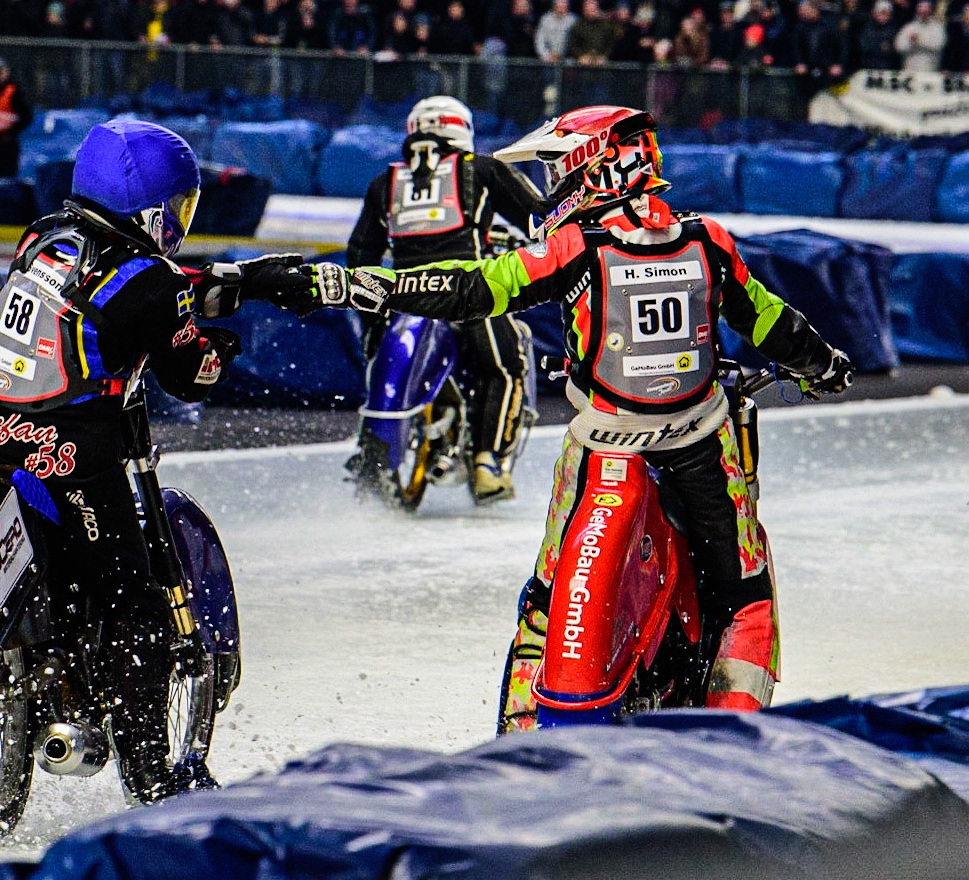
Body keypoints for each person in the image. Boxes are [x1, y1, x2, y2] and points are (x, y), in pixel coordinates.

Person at [276, 106, 853, 729]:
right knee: (742, 594)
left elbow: (476, 286)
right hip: (701, 449)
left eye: (558, 166)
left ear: (593, 162)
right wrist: (823, 365)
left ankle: (521, 731)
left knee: (547, 601)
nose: (554, 183)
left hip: (602, 451)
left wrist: (373, 286)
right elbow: (769, 319)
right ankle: (732, 728)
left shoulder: (576, 247)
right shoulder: (707, 240)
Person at [0, 119, 309, 818]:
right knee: (137, 608)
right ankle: (151, 773)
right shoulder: (154, 283)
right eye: (179, 207)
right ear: (153, 206)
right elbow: (189, 371)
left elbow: (102, 301)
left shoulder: (42, 237)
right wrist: (219, 346)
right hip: (74, 461)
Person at [345, 95, 545, 503]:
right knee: (505, 365)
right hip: (464, 291)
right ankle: (488, 461)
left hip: (402, 294)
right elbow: (542, 215)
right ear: (461, 129)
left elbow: (361, 254)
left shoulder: (385, 183)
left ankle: (372, 446)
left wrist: (371, 321)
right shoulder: (482, 168)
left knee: (375, 350)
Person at [0, 57, 33, 178]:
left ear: (5, 72)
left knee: (7, 178)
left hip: (8, 145)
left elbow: (27, 117)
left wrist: (11, 133)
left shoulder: (14, 92)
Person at [894, 0, 945, 71]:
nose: (923, 13)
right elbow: (899, 47)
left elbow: (939, 44)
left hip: (930, 69)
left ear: (931, 11)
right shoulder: (909, 27)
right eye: (921, 11)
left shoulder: (937, 27)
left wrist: (919, 40)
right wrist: (911, 42)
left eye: (926, 11)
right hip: (910, 69)